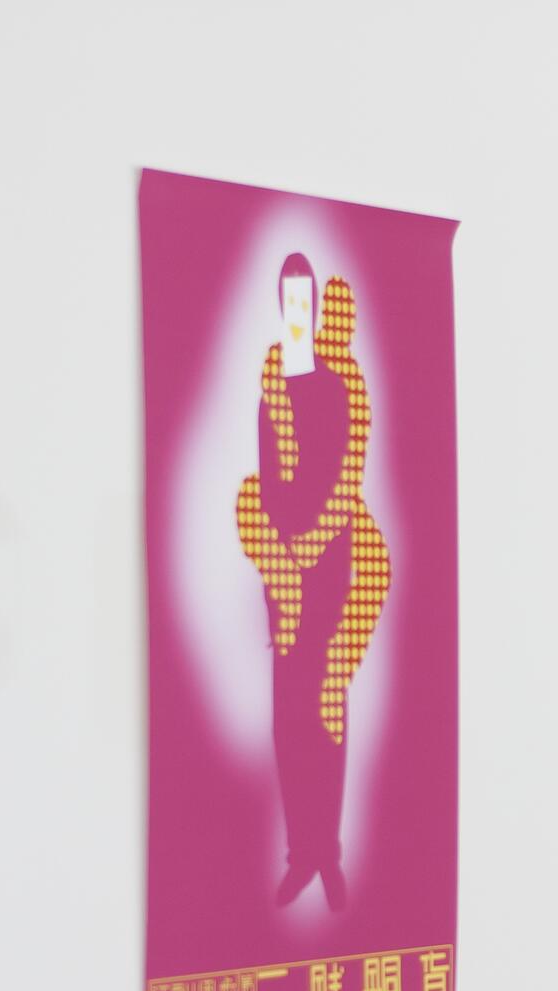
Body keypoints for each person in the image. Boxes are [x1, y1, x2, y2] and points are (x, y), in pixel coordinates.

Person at [237, 255, 390, 911]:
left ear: (318, 308)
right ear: (280, 304)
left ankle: (327, 856)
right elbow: (267, 489)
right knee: (286, 721)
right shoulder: (270, 393)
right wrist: (279, 570)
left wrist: (310, 551)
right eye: (289, 300)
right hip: (286, 586)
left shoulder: (338, 387)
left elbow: (344, 484)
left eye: (308, 300)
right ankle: (301, 855)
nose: (298, 312)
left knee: (326, 719)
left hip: (329, 579)